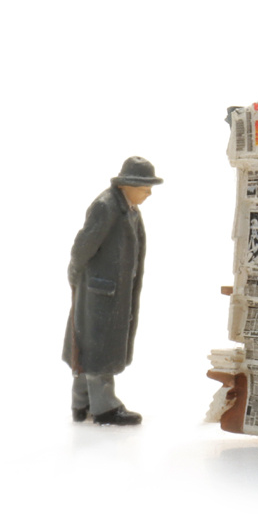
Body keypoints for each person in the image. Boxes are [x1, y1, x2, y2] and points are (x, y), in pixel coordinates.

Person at [63, 156, 162, 425]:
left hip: (109, 292)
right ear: (128, 184)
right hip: (100, 293)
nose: (149, 193)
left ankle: (82, 402)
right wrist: (75, 274)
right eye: (145, 187)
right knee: (98, 349)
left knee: (89, 347)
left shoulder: (129, 209)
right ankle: (104, 408)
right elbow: (83, 246)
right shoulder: (107, 206)